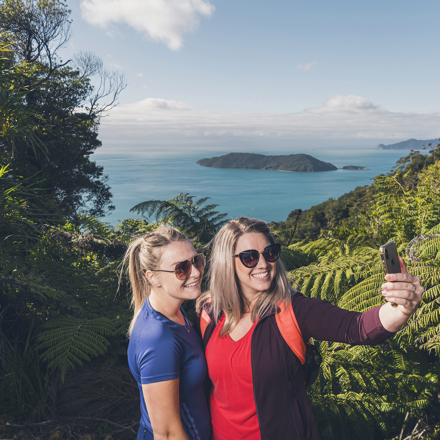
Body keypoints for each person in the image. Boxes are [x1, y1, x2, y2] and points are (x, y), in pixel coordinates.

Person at [195, 217, 424, 440]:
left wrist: (401, 309)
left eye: (270, 252)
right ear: (228, 263)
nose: (263, 264)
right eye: (249, 257)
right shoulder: (210, 313)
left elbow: (357, 327)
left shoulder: (293, 310)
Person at [124, 225, 211, 440]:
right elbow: (168, 434)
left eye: (196, 261)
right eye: (181, 268)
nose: (197, 272)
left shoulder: (174, 311)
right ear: (153, 277)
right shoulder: (157, 338)